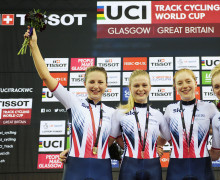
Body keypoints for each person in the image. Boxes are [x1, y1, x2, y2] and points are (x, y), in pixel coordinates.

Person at [24, 28, 115, 180]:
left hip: (102, 168)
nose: (96, 86)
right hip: (75, 167)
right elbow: (46, 76)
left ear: (106, 85)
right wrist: (34, 45)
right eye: (91, 82)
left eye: (100, 82)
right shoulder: (72, 101)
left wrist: (157, 148)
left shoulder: (112, 112)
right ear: (84, 83)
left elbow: (120, 140)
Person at [157, 68, 219, 180]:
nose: (184, 86)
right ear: (176, 87)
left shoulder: (209, 107)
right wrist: (155, 147)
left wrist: (218, 150)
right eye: (180, 83)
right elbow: (163, 137)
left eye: (188, 81)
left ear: (195, 83)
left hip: (202, 165)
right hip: (176, 166)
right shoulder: (170, 109)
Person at [109, 70, 171, 180]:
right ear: (130, 88)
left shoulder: (157, 114)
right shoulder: (119, 113)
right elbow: (111, 139)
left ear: (150, 87)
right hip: (129, 165)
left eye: (144, 85)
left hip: (153, 166)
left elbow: (170, 138)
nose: (141, 89)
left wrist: (154, 147)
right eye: (136, 85)